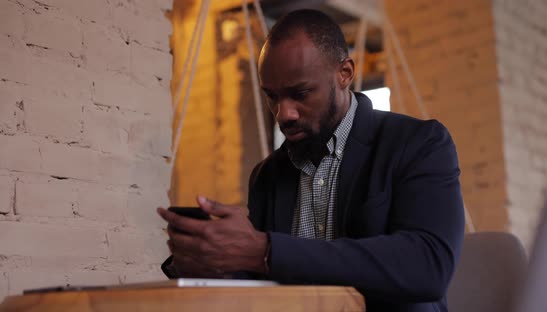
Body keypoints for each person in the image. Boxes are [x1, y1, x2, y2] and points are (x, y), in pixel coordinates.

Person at [157, 9, 465, 312]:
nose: (283, 114)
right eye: (272, 96)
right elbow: (262, 277)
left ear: (344, 74)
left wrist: (265, 250)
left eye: (301, 93)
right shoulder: (267, 175)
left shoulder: (418, 143)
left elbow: (428, 265)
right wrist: (215, 262)